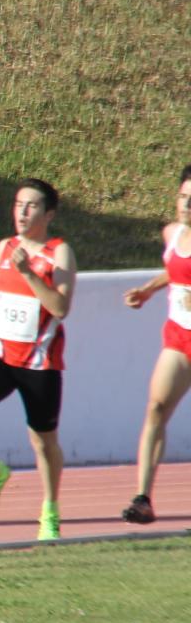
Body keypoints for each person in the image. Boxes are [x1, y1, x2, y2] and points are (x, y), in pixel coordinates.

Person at [0, 178, 75, 541]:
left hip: (40, 362)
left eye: (32, 206)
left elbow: (60, 307)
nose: (22, 212)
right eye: (18, 204)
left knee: (43, 442)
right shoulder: (5, 247)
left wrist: (28, 273)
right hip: (1, 353)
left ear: (48, 214)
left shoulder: (59, 253)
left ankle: (50, 511)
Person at [119, 165, 191, 524]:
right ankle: (143, 499)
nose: (187, 204)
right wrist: (148, 290)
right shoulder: (172, 234)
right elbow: (176, 270)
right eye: (183, 196)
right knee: (157, 408)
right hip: (180, 336)